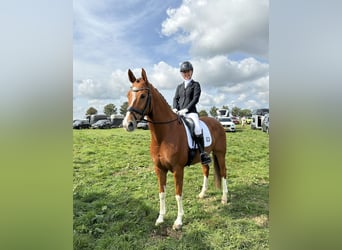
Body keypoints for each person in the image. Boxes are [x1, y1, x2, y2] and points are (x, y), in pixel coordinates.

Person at [172, 61, 211, 164]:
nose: (186, 74)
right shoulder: (179, 87)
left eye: (188, 72)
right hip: (179, 112)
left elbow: (195, 99)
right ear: (181, 73)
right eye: (184, 72)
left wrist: (186, 109)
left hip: (191, 113)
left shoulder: (196, 85)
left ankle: (203, 154)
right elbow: (175, 98)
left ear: (191, 72)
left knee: (197, 128)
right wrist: (175, 108)